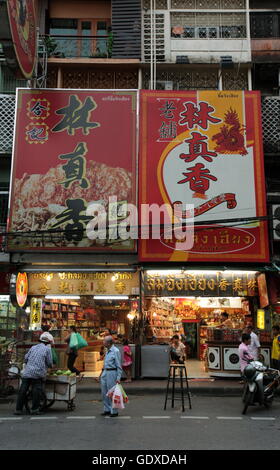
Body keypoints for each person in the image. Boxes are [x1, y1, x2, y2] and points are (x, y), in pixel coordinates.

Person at [14, 333, 53, 415]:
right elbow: (49, 363)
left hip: (27, 372)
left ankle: (18, 409)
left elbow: (26, 358)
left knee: (23, 390)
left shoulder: (33, 347)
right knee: (37, 390)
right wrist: (50, 366)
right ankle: (34, 409)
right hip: (38, 373)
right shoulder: (47, 349)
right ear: (47, 343)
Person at [99, 336, 123, 417]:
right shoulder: (107, 350)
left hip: (112, 372)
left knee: (111, 392)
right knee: (104, 392)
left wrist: (118, 377)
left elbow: (119, 365)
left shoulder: (115, 351)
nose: (103, 342)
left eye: (104, 341)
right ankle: (107, 409)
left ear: (109, 343)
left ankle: (114, 411)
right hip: (105, 372)